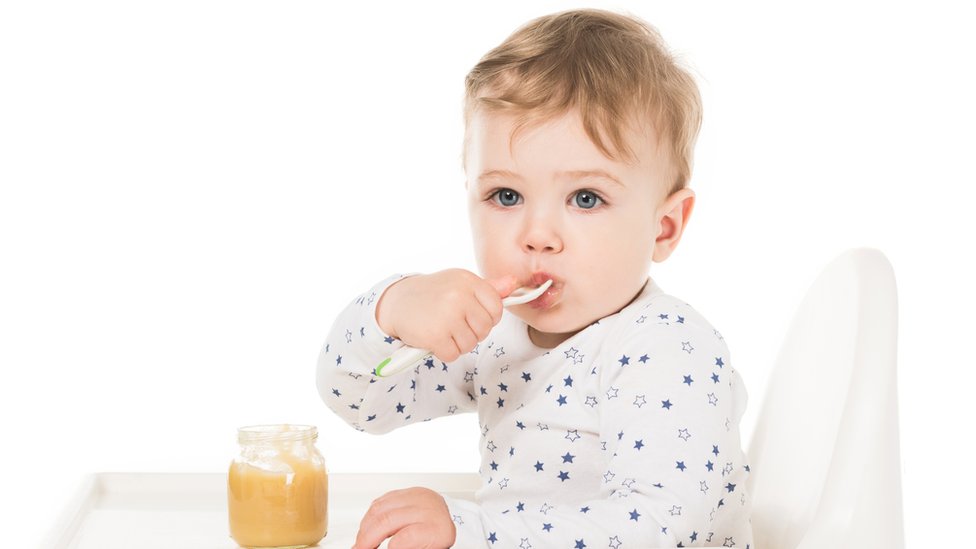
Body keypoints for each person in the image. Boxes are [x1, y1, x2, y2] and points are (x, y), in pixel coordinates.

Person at [318, 8, 753, 548]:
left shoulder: (666, 345)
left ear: (663, 228)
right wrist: (394, 310)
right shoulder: (496, 337)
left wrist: (469, 530)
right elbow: (359, 401)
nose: (537, 235)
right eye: (506, 196)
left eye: (586, 198)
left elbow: (664, 528)